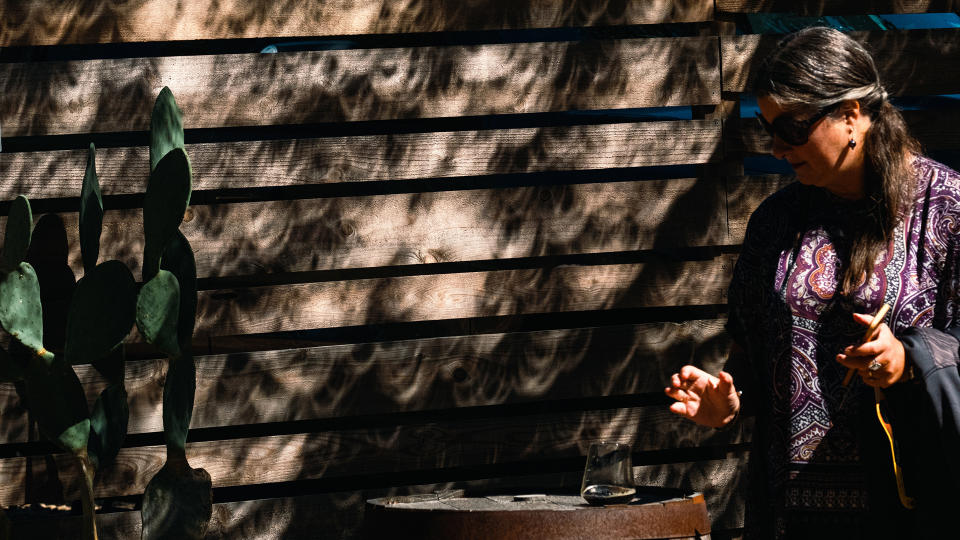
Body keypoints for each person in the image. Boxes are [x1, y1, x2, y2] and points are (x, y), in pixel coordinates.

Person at [664, 26, 960, 539]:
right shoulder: (774, 221)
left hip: (911, 505)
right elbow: (754, 353)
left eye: (793, 128)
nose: (778, 147)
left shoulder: (947, 207)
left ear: (851, 115)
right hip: (790, 513)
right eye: (769, 129)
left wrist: (908, 361)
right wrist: (728, 400)